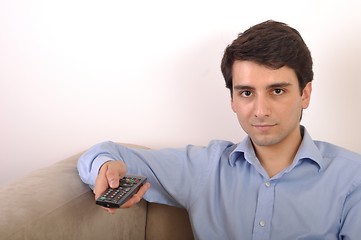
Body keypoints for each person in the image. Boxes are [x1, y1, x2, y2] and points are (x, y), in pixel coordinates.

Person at [77, 20, 361, 239]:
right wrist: (106, 168)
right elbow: (103, 153)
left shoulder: (352, 179)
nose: (260, 110)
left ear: (305, 94)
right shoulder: (204, 168)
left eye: (277, 90)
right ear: (233, 100)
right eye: (247, 93)